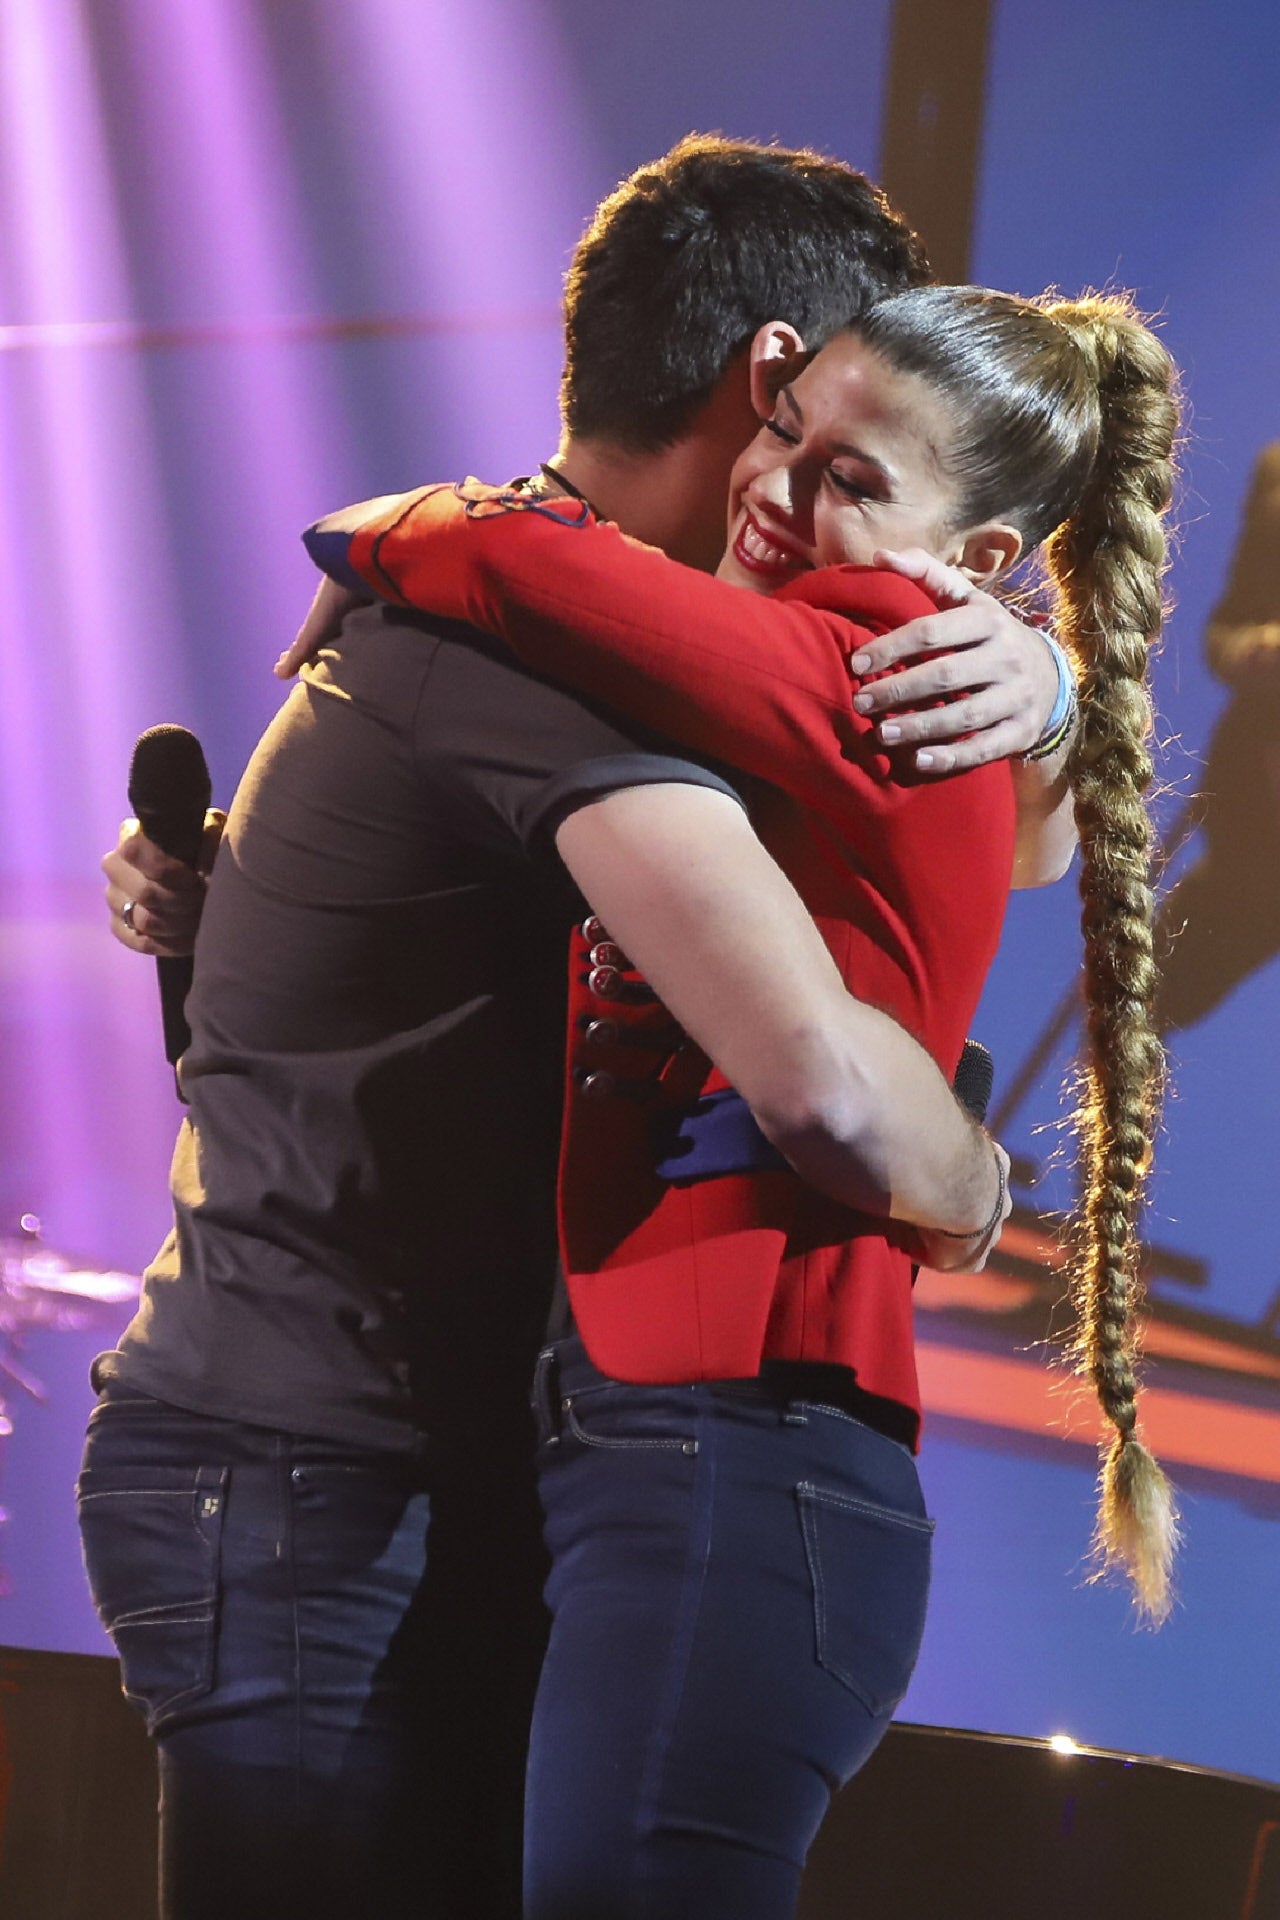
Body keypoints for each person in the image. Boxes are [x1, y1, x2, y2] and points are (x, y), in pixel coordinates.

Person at [86, 138, 1065, 1920]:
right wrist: (981, 1188)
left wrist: (1038, 670)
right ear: (772, 382)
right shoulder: (546, 649)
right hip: (324, 1476)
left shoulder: (534, 606)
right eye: (836, 416)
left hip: (373, 1467)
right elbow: (832, 1083)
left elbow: (1000, 809)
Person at [296, 281, 1181, 1917]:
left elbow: (514, 563)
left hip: (745, 1451)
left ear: (980, 561)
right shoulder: (850, 657)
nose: (779, 492)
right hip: (672, 1444)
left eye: (854, 481)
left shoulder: (876, 663)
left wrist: (386, 525)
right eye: (783, 433)